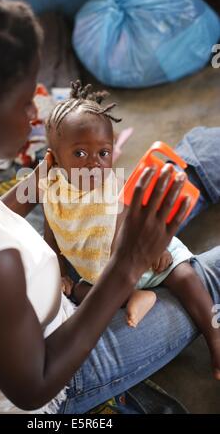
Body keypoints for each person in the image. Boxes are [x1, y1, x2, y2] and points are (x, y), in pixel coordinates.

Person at [0, 0, 219, 415]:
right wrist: (126, 265)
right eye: (26, 101)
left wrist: (48, 176)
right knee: (203, 275)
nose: (33, 117)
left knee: (177, 170)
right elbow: (32, 388)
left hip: (60, 292)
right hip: (62, 374)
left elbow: (1, 205)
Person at [41, 80, 220, 380]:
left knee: (187, 277)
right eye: (80, 154)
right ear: (55, 159)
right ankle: (135, 297)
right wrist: (59, 272)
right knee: (80, 295)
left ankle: (214, 337)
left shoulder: (113, 190)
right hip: (102, 270)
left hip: (145, 253)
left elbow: (139, 219)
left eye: (104, 153)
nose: (94, 165)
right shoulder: (53, 192)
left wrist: (159, 249)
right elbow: (51, 234)